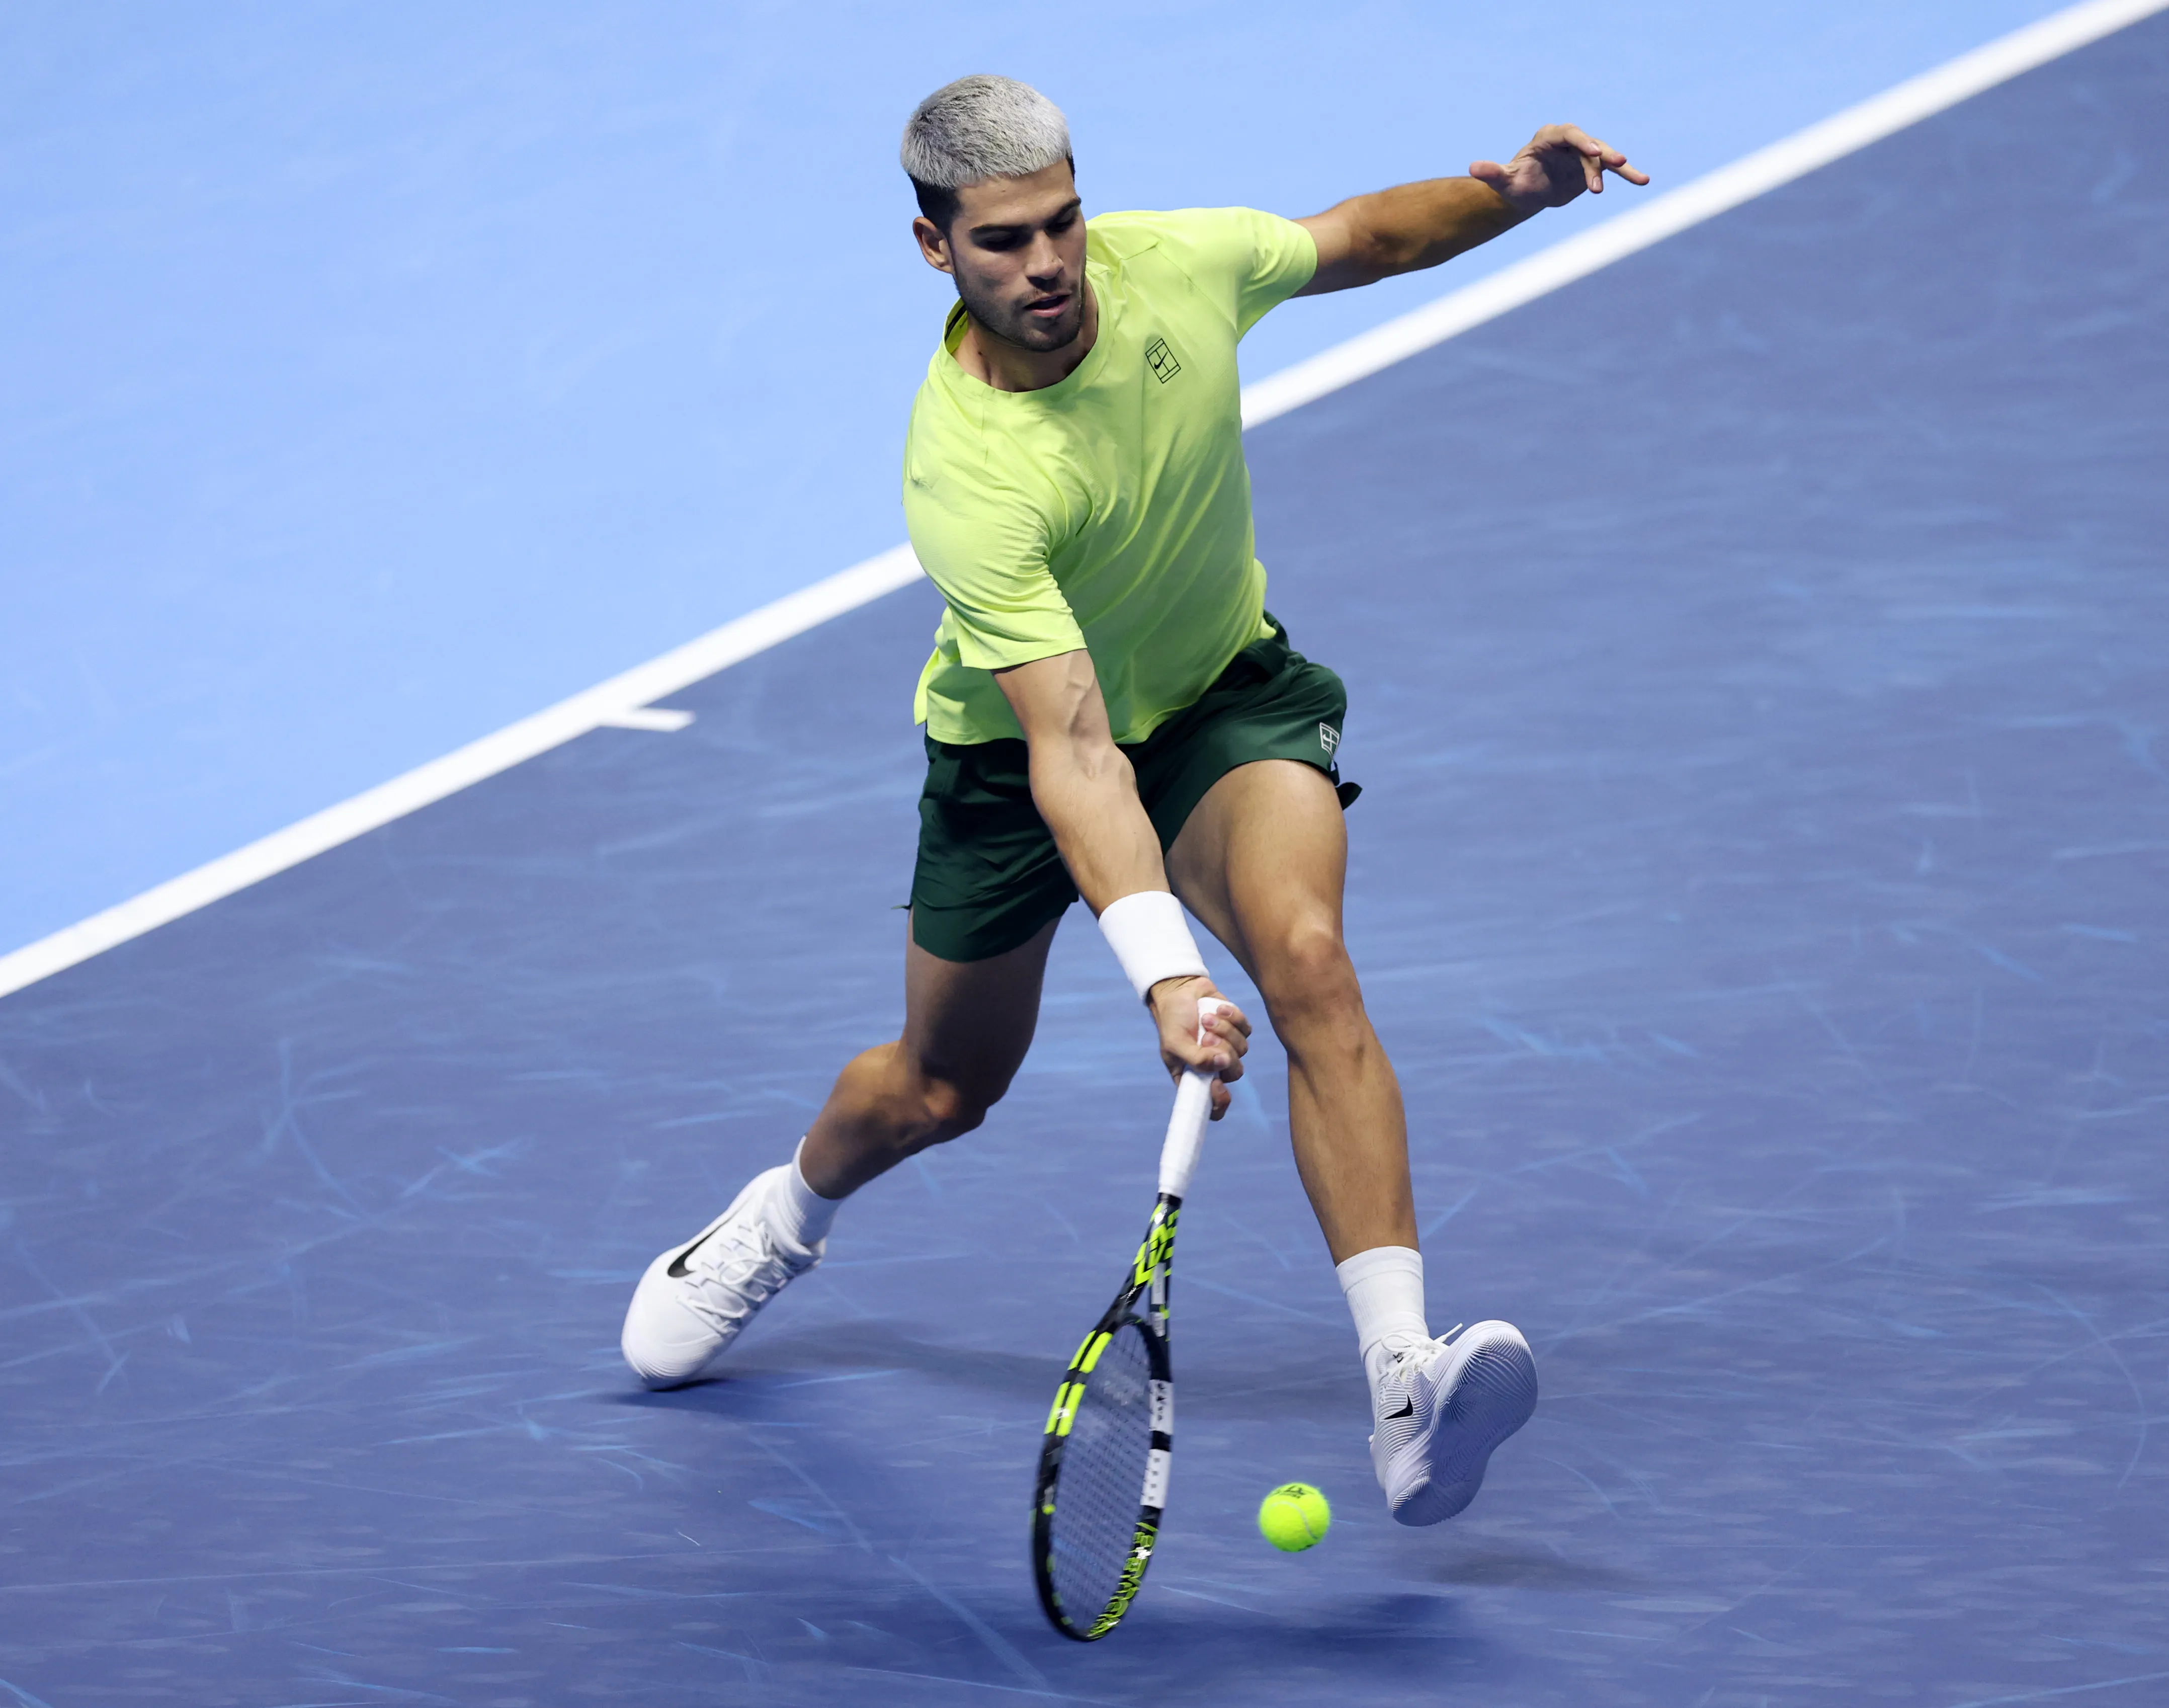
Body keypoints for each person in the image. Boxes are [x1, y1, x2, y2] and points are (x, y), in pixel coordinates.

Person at [622, 74, 1646, 1526]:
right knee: (940, 1089)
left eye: (1061, 224)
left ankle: (1405, 1386)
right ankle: (783, 1216)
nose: (1045, 267)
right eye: (1001, 244)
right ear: (936, 251)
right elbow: (1075, 751)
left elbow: (1366, 236)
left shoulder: (1174, 269)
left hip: (1223, 699)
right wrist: (1165, 974)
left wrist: (1519, 194)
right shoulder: (971, 473)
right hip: (1026, 757)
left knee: (1306, 962)